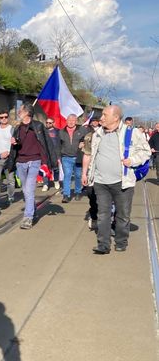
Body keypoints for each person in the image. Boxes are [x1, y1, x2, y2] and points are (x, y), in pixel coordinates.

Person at [83, 105, 151, 254]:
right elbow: (93, 155)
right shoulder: (97, 133)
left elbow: (146, 152)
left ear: (115, 117)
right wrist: (88, 175)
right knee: (103, 214)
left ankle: (121, 241)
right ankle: (103, 244)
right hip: (101, 182)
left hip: (123, 182)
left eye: (104, 115)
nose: (101, 118)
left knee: (122, 214)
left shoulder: (131, 132)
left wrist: (132, 160)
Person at [5, 104, 57, 230]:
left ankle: (28, 217)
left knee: (29, 188)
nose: (18, 112)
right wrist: (15, 142)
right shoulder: (18, 127)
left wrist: (50, 162)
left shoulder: (38, 126)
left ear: (27, 112)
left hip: (35, 160)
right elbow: (17, 144)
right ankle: (32, 209)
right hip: (20, 162)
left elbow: (47, 144)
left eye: (20, 110)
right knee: (25, 189)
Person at [58, 114, 87, 202]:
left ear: (76, 121)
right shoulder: (61, 131)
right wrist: (58, 157)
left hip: (78, 157)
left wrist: (83, 143)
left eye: (73, 120)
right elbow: (58, 145)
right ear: (66, 121)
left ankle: (78, 192)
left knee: (78, 176)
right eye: (69, 120)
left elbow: (88, 139)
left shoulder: (82, 130)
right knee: (67, 175)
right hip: (66, 157)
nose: (71, 122)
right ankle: (66, 195)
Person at [43, 117, 61, 191]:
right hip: (45, 153)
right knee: (45, 169)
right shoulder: (43, 131)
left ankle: (56, 181)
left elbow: (59, 144)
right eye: (46, 122)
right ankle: (45, 184)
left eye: (50, 123)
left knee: (56, 169)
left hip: (55, 153)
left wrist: (59, 156)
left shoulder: (57, 131)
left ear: (53, 123)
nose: (48, 124)